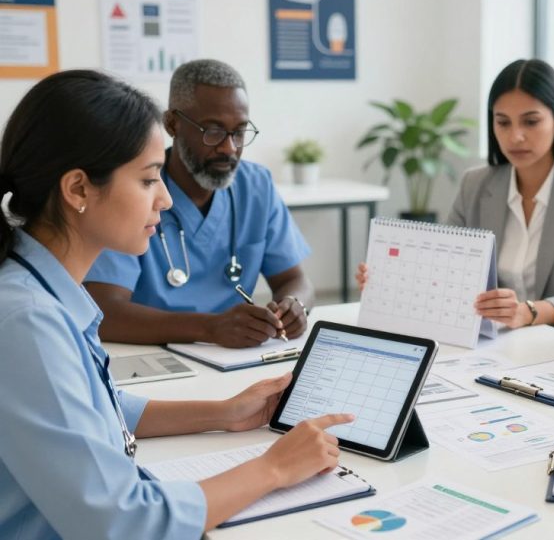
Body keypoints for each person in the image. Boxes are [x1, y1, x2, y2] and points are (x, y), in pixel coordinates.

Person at [0, 70, 356, 537]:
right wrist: (274, 469)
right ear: (79, 189)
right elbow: (123, 524)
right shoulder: (27, 320)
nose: (165, 199)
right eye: (149, 181)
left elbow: (93, 409)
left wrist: (224, 412)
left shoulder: (39, 291)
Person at [357, 59, 554, 335]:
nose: (515, 136)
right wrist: (390, 279)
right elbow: (446, 271)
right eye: (503, 122)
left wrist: (526, 312)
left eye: (530, 122)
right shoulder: (476, 184)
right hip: (492, 343)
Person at [84, 59, 313, 348]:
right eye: (213, 131)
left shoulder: (255, 186)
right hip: (146, 354)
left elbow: (296, 280)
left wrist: (294, 306)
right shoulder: (133, 187)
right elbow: (106, 311)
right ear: (172, 123)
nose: (229, 148)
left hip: (234, 356)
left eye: (239, 132)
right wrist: (209, 328)